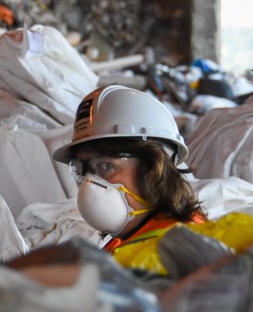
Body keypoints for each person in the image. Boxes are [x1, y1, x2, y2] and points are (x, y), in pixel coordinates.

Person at [52, 84, 207, 254]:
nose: (90, 184)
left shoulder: (183, 249)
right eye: (83, 169)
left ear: (156, 167)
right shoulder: (132, 240)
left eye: (106, 166)